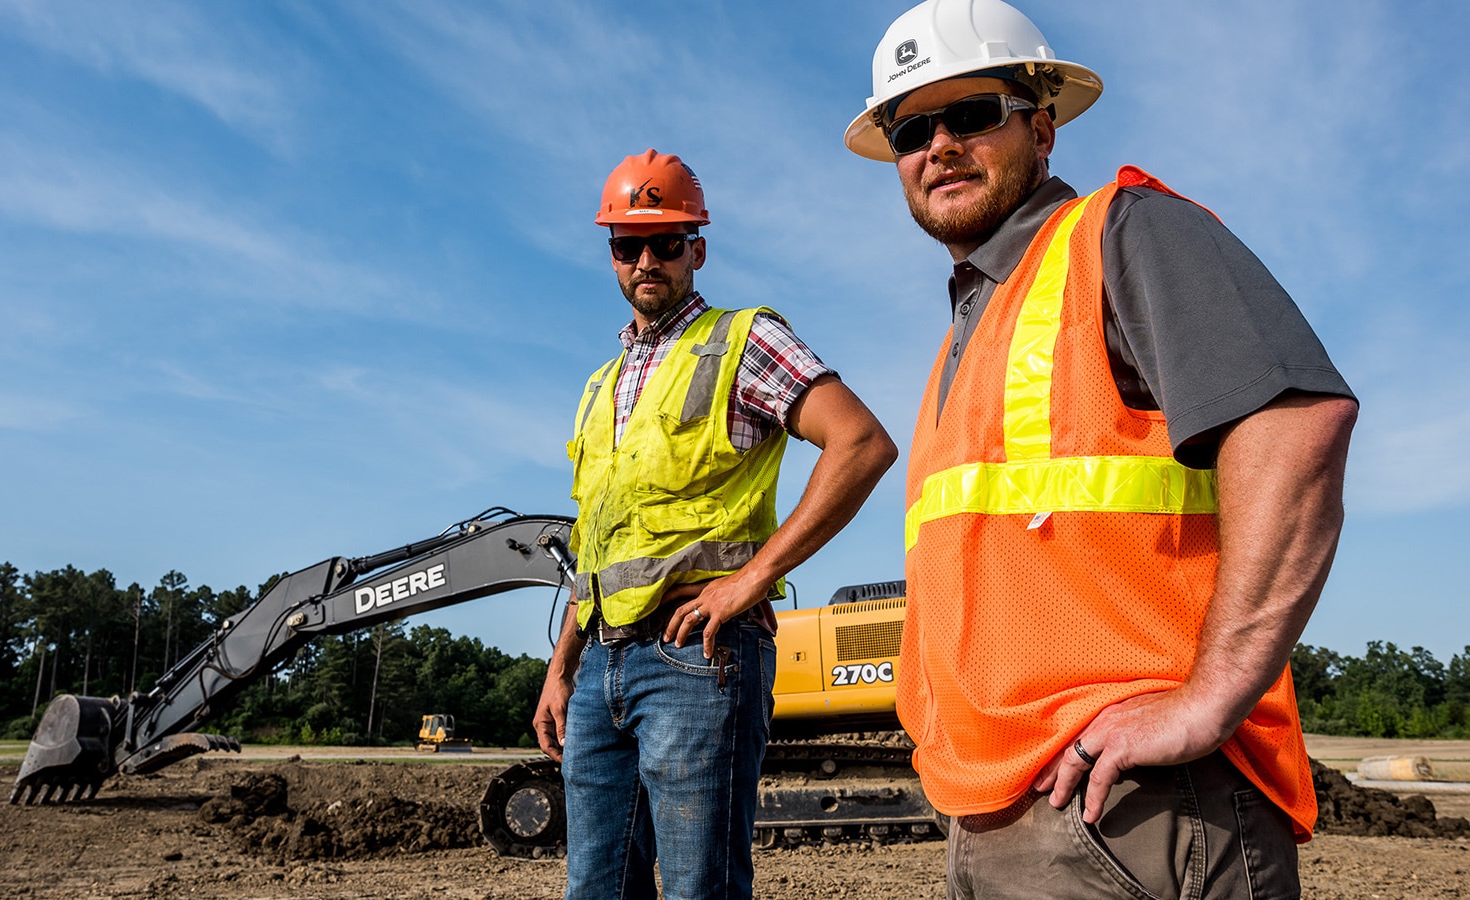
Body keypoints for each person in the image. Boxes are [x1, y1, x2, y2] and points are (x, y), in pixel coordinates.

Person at [844, 1, 1359, 897]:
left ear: (1041, 127)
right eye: (910, 128)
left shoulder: (1124, 232)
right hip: (1001, 809)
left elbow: (1295, 423)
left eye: (972, 115)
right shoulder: (972, 327)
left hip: (1131, 809)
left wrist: (1208, 700)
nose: (939, 146)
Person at [532, 149, 897, 899]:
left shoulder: (742, 339)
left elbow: (861, 442)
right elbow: (598, 542)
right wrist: (562, 665)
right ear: (610, 256)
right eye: (628, 244)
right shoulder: (600, 386)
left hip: (694, 658)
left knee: (701, 888)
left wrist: (754, 579)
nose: (647, 259)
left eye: (666, 241)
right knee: (593, 889)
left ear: (696, 247)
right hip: (602, 663)